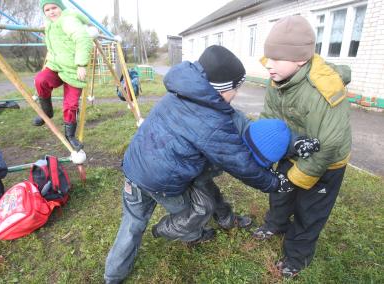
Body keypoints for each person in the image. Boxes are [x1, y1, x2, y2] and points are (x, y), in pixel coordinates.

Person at [104, 45, 293, 284]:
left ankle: (112, 276)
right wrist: (275, 183)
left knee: (132, 223)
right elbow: (241, 164)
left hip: (134, 167)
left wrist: (292, 143)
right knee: (196, 211)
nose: (236, 94)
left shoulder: (184, 91)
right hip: (162, 181)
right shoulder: (210, 120)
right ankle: (183, 233)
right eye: (236, 87)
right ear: (223, 88)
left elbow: (235, 119)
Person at [252, 15, 352, 278]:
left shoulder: (325, 88)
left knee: (310, 210)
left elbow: (329, 144)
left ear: (300, 60)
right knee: (280, 193)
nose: (269, 66)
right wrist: (264, 149)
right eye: (268, 57)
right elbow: (269, 118)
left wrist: (297, 177)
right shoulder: (277, 79)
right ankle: (276, 224)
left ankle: (297, 257)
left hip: (327, 160)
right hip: (295, 148)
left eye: (276, 59)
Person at [151, 116, 320, 243]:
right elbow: (248, 172)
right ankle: (164, 230)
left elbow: (276, 134)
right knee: (202, 208)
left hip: (198, 169)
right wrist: (274, 182)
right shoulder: (231, 151)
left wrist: (295, 142)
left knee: (212, 193)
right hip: (176, 172)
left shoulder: (245, 127)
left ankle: (227, 220)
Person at [33, 0, 93, 151]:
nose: (51, 12)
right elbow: (55, 34)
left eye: (54, 8)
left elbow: (83, 39)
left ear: (61, 8)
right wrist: (45, 28)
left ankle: (70, 135)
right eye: (47, 10)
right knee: (41, 80)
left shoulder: (68, 20)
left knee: (70, 104)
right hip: (56, 65)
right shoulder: (50, 24)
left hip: (73, 68)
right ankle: (47, 112)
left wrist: (81, 64)